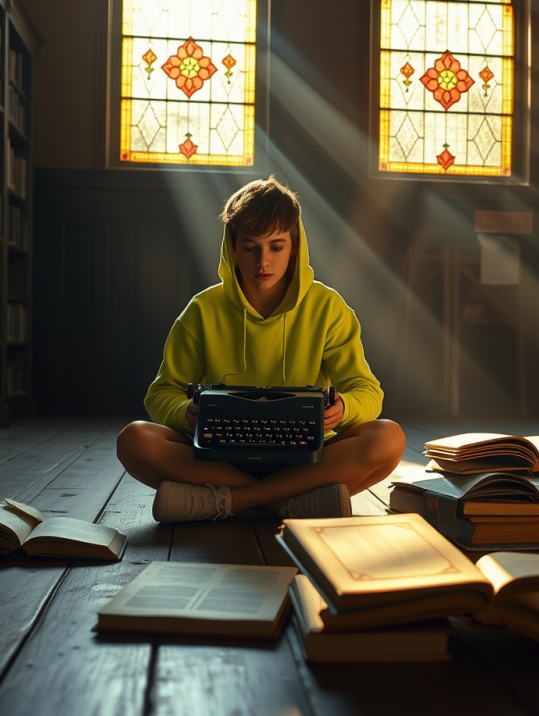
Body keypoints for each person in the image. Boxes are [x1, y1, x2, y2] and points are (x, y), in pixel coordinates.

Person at [117, 176, 405, 522]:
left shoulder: (329, 307)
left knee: (389, 437)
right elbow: (161, 392)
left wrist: (345, 408)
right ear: (232, 247)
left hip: (307, 453)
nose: (263, 262)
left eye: (276, 247)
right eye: (250, 247)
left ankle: (225, 501)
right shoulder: (202, 309)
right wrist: (184, 412)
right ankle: (289, 503)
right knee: (134, 439)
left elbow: (367, 390)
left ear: (294, 245)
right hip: (219, 453)